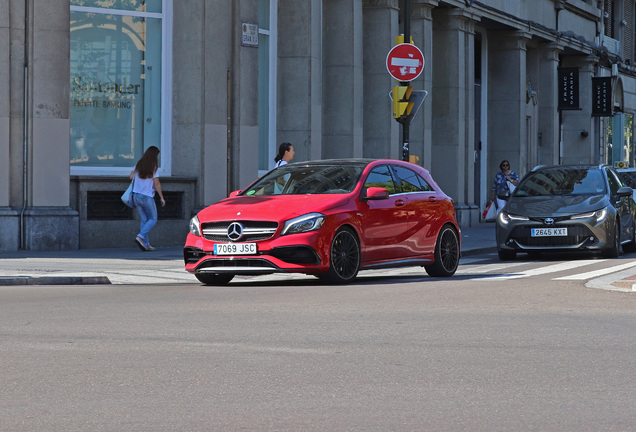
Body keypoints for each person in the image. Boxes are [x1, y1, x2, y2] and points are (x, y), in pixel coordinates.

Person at [131, 146, 165, 251]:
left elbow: (131, 177)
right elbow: (156, 183)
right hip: (146, 196)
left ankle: (145, 244)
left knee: (144, 219)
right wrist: (161, 197)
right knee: (153, 219)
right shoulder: (153, 167)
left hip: (136, 195)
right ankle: (140, 236)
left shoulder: (138, 164)